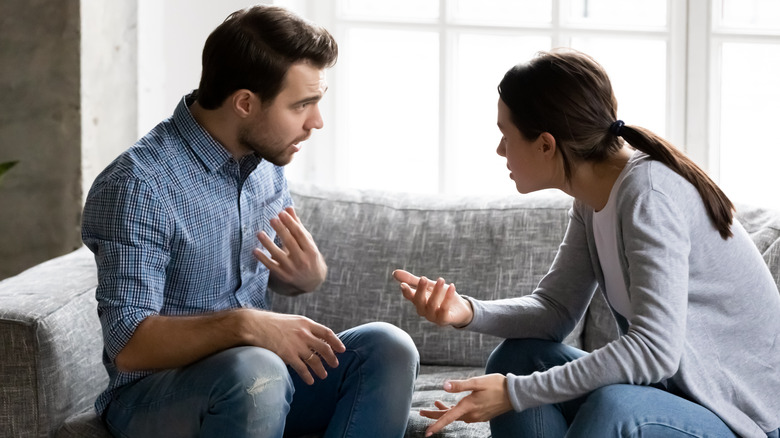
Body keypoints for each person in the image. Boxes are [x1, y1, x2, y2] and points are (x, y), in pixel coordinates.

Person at [393, 48, 780, 438]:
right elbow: (555, 309)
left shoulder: (649, 195)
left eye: (504, 135)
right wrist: (467, 312)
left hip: (743, 420)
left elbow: (654, 351)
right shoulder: (592, 198)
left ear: (545, 144)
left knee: (615, 407)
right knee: (518, 357)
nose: (500, 150)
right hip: (677, 398)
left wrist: (515, 392)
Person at [82, 5, 418, 438]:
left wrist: (303, 278)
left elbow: (248, 274)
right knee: (257, 369)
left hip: (260, 383)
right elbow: (128, 346)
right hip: (156, 395)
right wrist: (246, 324)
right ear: (245, 103)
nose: (316, 122)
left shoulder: (264, 160)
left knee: (387, 347)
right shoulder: (138, 186)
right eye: (302, 105)